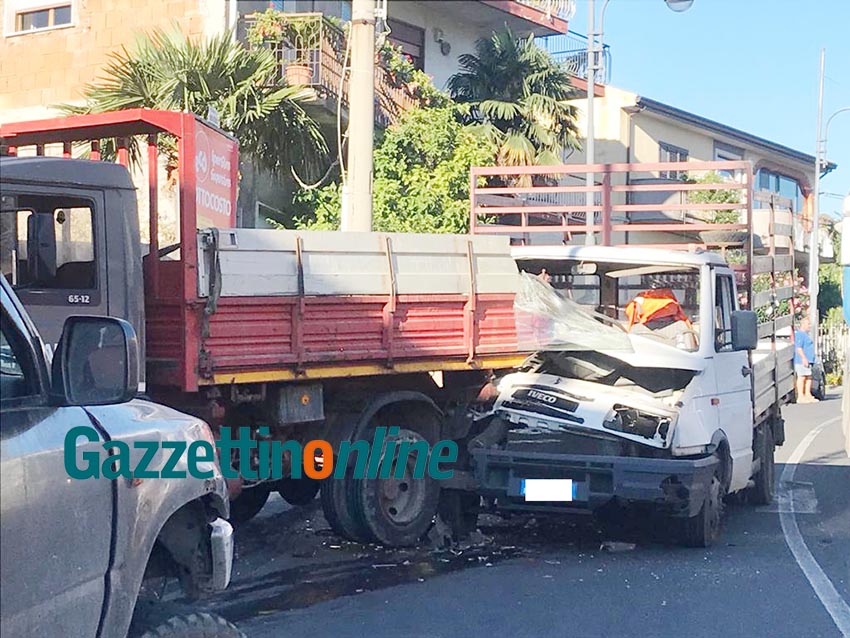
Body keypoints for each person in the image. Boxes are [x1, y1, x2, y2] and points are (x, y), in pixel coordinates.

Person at [793, 317, 818, 403]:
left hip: (809, 360)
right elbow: (799, 348)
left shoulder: (806, 334)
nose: (809, 326)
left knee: (809, 377)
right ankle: (801, 396)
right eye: (808, 324)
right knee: (802, 377)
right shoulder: (800, 334)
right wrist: (804, 358)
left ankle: (808, 395)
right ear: (803, 324)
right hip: (801, 361)